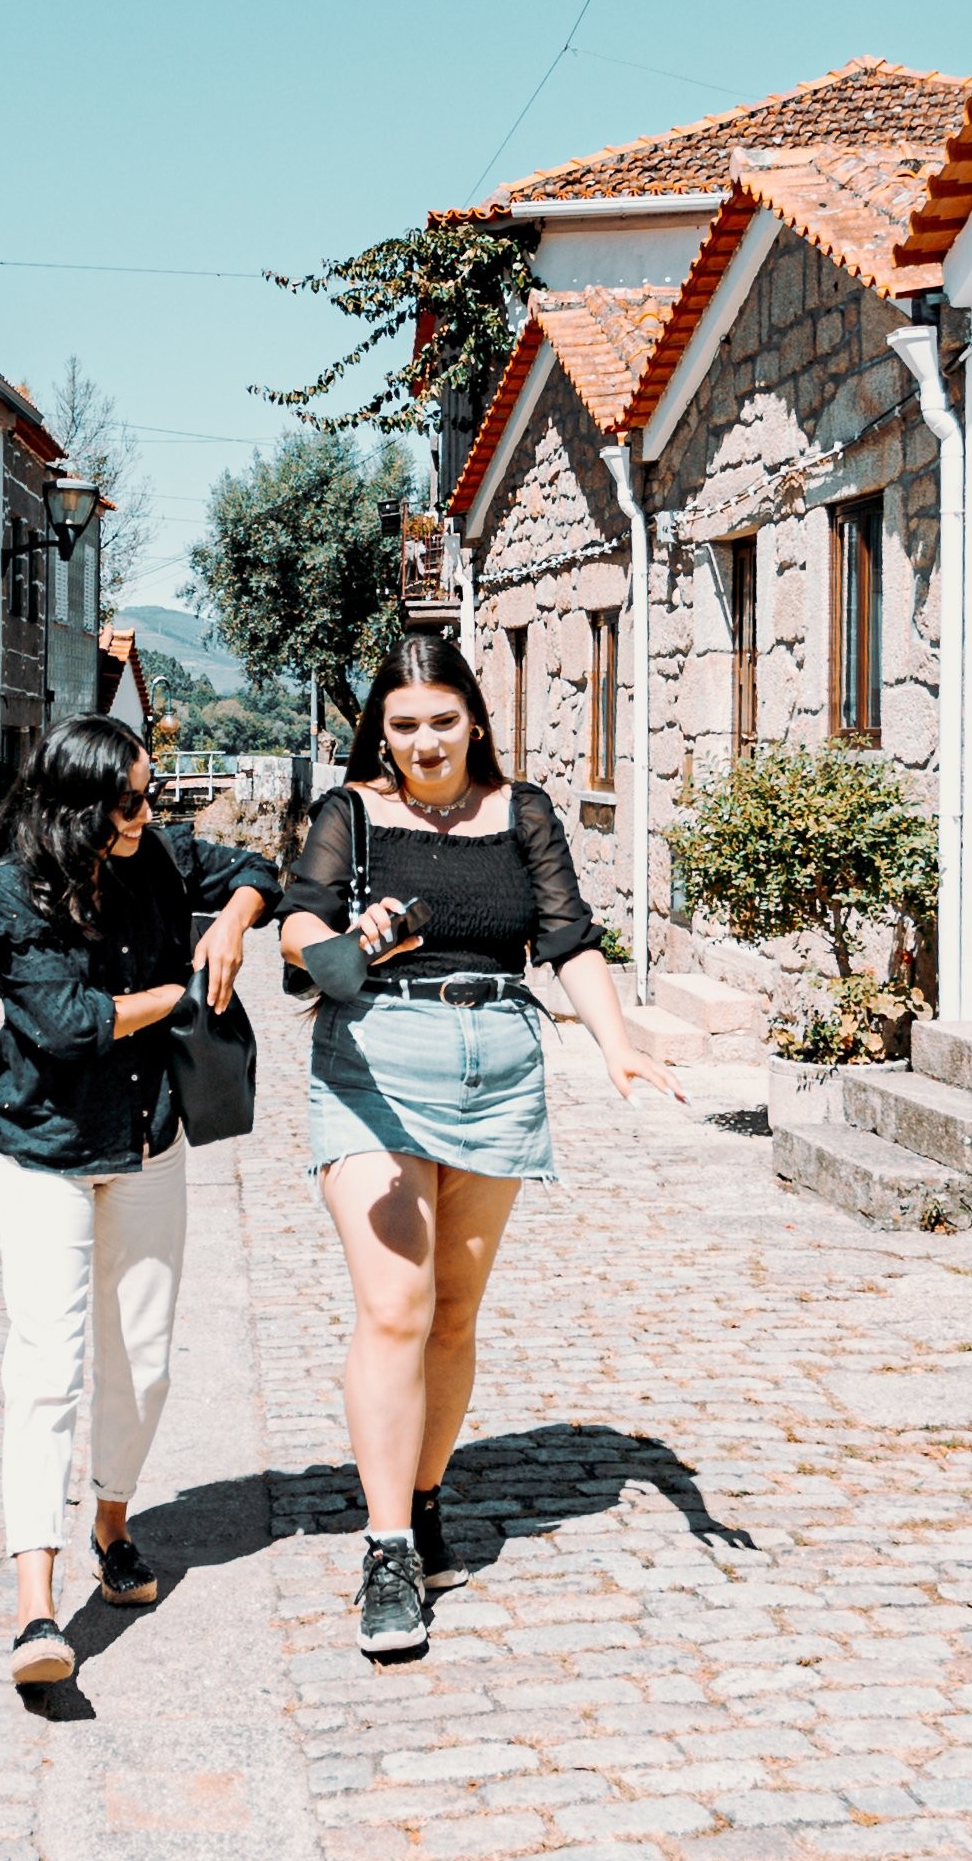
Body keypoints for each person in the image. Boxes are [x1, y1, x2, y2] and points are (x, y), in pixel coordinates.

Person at [277, 632, 677, 1661]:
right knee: (394, 1305)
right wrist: (338, 941)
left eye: (441, 721)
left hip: (497, 1061)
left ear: (476, 718)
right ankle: (385, 1550)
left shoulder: (526, 812)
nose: (422, 742)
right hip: (375, 1058)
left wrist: (620, 1046)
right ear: (382, 728)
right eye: (403, 725)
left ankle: (423, 1497)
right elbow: (298, 928)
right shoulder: (350, 815)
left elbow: (569, 937)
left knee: (452, 1317)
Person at [0, 715, 274, 1691]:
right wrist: (179, 992)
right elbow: (65, 1024)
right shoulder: (14, 885)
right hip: (47, 1147)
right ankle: (34, 1608)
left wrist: (231, 918)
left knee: (143, 1362)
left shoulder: (156, 852)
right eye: (132, 799)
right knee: (48, 1365)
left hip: (148, 1139)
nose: (152, 813)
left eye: (152, 794)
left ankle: (112, 1520)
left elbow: (256, 865)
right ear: (78, 807)